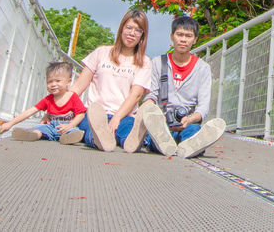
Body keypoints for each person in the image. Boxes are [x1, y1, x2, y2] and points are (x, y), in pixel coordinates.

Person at [124, 15, 226, 158]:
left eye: (188, 36)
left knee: (194, 130)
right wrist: (152, 113)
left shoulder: (203, 68)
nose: (183, 39)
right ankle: (180, 146)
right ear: (172, 37)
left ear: (195, 39)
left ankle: (188, 144)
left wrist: (189, 120)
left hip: (187, 122)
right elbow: (151, 95)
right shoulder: (158, 63)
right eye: (179, 34)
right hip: (163, 123)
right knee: (157, 132)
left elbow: (203, 107)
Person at [70, 9, 152, 152]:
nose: (132, 33)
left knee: (127, 132)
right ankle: (100, 139)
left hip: (125, 116)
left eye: (138, 30)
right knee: (92, 131)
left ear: (142, 36)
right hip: (95, 114)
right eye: (129, 28)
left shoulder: (144, 62)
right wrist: (55, 107)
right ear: (121, 29)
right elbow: (78, 87)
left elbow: (136, 95)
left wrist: (117, 118)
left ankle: (134, 141)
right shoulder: (101, 52)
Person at [0, 60, 86, 143]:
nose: (53, 84)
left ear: (68, 82)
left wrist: (71, 125)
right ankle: (33, 135)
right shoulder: (48, 99)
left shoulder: (72, 97)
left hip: (66, 127)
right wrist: (10, 123)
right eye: (50, 82)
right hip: (51, 127)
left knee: (73, 131)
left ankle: (67, 138)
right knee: (40, 128)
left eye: (58, 81)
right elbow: (30, 112)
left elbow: (81, 114)